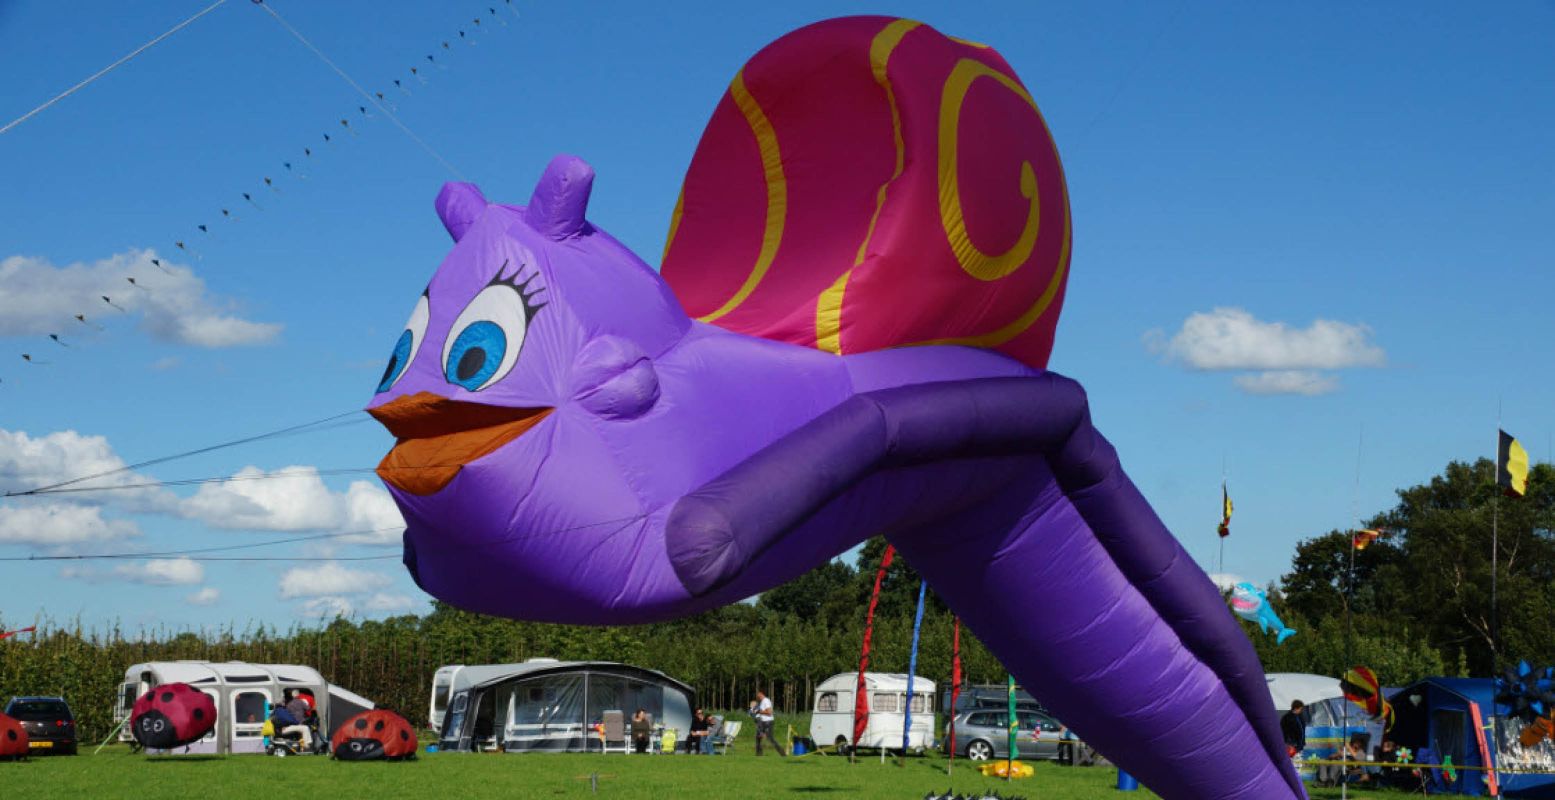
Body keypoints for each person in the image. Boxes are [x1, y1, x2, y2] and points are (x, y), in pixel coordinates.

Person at [750, 690, 785, 756]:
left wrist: (759, 712)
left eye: (758, 694)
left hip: (768, 722)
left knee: (770, 738)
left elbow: (769, 712)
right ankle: (758, 754)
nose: (757, 696)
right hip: (762, 722)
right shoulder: (762, 702)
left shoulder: (766, 701)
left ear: (761, 693)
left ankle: (782, 752)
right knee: (758, 737)